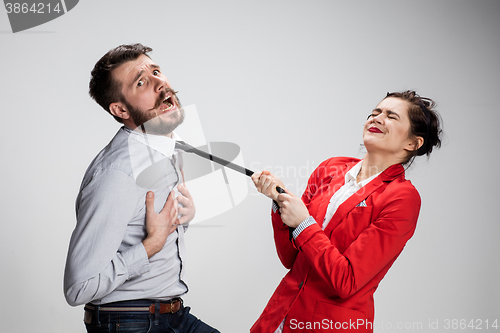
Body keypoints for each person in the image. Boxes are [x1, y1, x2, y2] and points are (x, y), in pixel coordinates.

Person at [250, 91, 443, 333]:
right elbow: (291, 258)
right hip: (278, 317)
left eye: (391, 116)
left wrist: (303, 223)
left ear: (412, 143)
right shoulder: (330, 168)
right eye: (374, 113)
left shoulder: (402, 198)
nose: (377, 118)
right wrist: (280, 201)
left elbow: (346, 280)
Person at [64, 44, 219, 333]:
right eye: (141, 81)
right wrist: (152, 244)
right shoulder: (118, 173)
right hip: (128, 321)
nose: (161, 83)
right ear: (120, 109)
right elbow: (78, 288)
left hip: (171, 314)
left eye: (157, 71)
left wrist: (183, 219)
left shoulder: (165, 144)